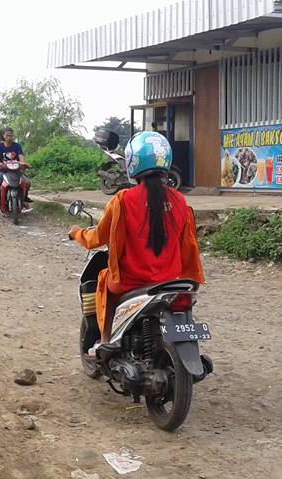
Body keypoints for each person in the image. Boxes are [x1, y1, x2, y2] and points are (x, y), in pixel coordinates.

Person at [69, 131, 203, 345]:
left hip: (131, 281)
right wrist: (191, 277)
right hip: (172, 281)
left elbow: (97, 238)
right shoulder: (180, 200)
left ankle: (106, 341)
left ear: (133, 162)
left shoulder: (123, 200)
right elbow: (188, 245)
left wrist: (76, 233)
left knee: (104, 282)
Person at [0, 127, 31, 211]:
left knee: (27, 183)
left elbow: (21, 156)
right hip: (4, 171)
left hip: (16, 170)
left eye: (11, 136)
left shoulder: (17, 146)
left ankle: (24, 199)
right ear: (3, 136)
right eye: (7, 136)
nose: (9, 137)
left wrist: (22, 163)